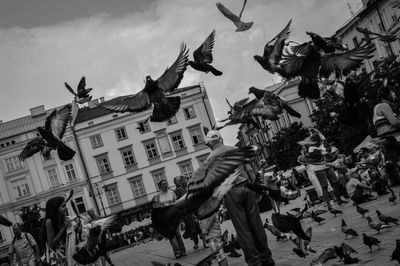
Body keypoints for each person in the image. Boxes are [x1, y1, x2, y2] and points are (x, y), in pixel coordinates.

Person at [204, 130, 275, 266]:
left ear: (209, 144)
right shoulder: (236, 149)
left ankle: (254, 262)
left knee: (243, 230)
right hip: (247, 188)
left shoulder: (210, 159)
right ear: (221, 139)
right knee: (257, 225)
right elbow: (249, 170)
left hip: (231, 193)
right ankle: (267, 259)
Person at [306, 133, 347, 207]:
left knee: (335, 182)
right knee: (324, 186)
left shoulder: (322, 145)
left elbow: (327, 153)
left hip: (327, 166)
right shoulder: (311, 149)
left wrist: (329, 155)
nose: (321, 141)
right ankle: (329, 205)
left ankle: (339, 200)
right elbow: (318, 156)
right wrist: (324, 153)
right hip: (318, 168)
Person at [153, 179, 186, 259]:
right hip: (166, 218)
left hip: (174, 216)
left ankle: (183, 250)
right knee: (171, 236)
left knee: (177, 234)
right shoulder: (158, 196)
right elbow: (157, 208)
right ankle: (177, 252)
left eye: (166, 183)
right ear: (160, 186)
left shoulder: (172, 192)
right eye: (163, 184)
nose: (166, 185)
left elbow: (176, 204)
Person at [42, 196, 76, 266]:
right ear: (55, 209)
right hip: (57, 257)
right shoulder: (49, 221)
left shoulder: (64, 218)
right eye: (63, 206)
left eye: (65, 205)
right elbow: (50, 244)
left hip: (68, 252)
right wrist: (64, 227)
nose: (66, 208)